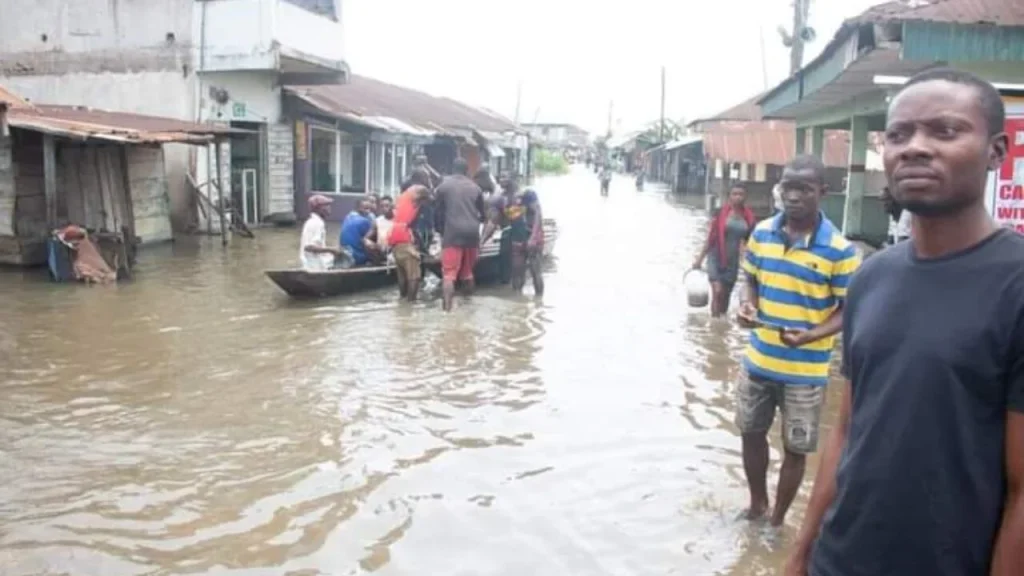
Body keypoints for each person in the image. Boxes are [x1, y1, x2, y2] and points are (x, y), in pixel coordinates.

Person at [785, 69, 1024, 576]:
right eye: (899, 135)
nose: (914, 148)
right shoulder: (870, 278)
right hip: (839, 561)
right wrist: (802, 552)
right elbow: (848, 431)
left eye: (945, 131)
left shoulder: (1016, 286)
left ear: (996, 151)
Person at [735, 154, 860, 528]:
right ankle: (757, 505)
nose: (793, 196)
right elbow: (751, 279)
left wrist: (812, 334)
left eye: (803, 188)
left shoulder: (839, 249)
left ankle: (776, 520)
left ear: (822, 192)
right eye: (787, 186)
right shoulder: (761, 233)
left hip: (805, 373)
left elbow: (848, 307)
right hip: (757, 362)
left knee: (796, 448)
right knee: (750, 435)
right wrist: (747, 306)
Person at [692, 184, 756, 317]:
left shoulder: (749, 218)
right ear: (729, 196)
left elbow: (751, 243)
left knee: (725, 296)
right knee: (717, 291)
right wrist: (699, 259)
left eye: (741, 194)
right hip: (715, 257)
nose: (738, 197)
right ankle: (714, 326)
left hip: (732, 261)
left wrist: (750, 264)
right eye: (734, 194)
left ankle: (722, 325)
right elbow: (710, 239)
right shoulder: (721, 213)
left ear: (745, 197)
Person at [434, 158, 487, 311]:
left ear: (453, 170)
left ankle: (447, 311)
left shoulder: (444, 186)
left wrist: (440, 231)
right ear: (466, 171)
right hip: (472, 234)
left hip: (453, 234)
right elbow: (483, 215)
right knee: (467, 273)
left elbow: (437, 211)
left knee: (449, 275)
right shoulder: (476, 188)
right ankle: (469, 307)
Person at [389, 178, 432, 301]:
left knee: (402, 275)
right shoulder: (418, 190)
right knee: (414, 277)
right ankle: (410, 306)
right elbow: (432, 198)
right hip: (405, 236)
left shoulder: (402, 198)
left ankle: (402, 301)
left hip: (395, 237)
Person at [482, 173, 520, 285]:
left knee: (514, 269)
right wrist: (482, 241)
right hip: (509, 234)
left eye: (505, 177)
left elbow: (516, 216)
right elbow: (493, 222)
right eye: (500, 177)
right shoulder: (501, 198)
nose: (501, 180)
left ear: (512, 178)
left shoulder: (519, 195)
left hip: (518, 234)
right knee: (508, 271)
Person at [509, 188, 545, 295]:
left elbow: (538, 216)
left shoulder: (530, 196)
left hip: (533, 240)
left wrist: (533, 238)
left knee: (535, 272)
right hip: (519, 240)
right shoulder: (510, 202)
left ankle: (538, 300)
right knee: (517, 272)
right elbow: (509, 220)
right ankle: (518, 299)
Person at [300, 194, 344, 271]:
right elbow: (309, 247)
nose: (329, 208)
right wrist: (331, 250)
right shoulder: (317, 223)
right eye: (326, 205)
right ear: (318, 208)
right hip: (313, 266)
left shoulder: (311, 221)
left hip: (310, 262)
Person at [339, 198, 379, 266]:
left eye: (369, 209)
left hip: (345, 252)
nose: (368, 212)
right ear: (358, 208)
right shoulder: (364, 221)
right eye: (366, 209)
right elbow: (374, 238)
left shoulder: (348, 216)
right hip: (358, 256)